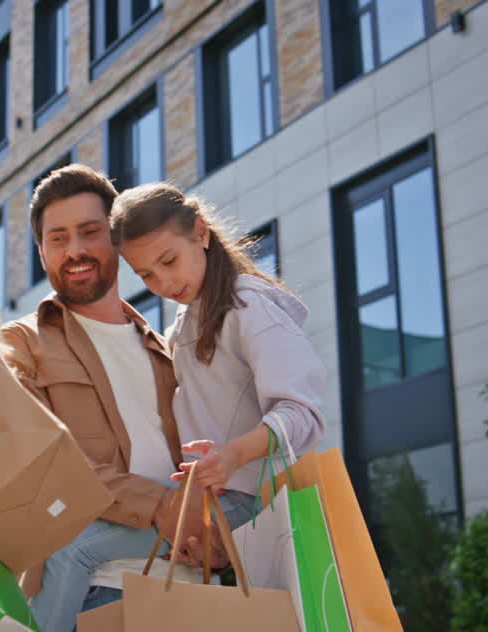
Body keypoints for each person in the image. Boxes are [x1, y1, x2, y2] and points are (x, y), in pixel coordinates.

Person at [0, 165, 252, 632]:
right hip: (85, 611)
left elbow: (222, 462)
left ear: (116, 239)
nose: (75, 250)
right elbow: (39, 456)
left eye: (89, 232)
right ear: (42, 253)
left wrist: (212, 534)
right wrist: (160, 507)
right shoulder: (22, 344)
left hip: (191, 598)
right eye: (57, 238)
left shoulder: (175, 347)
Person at [110, 181, 327, 499]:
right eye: (146, 275)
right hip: (212, 500)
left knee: (80, 549)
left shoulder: (249, 305)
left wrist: (233, 455)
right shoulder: (182, 328)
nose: (164, 282)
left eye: (169, 261)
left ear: (201, 233)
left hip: (256, 502)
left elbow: (302, 413)